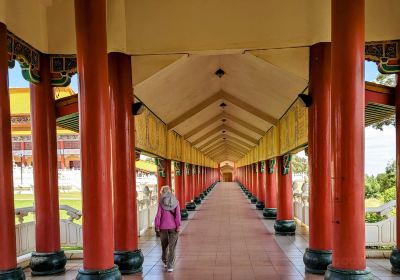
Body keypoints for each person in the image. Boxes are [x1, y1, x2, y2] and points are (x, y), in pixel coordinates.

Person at [154, 185, 181, 272]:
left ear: (162, 193)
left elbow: (158, 215)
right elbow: (177, 215)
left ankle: (165, 261)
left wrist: (157, 226)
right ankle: (170, 266)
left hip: (163, 228)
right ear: (170, 192)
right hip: (173, 227)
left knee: (164, 245)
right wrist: (178, 226)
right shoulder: (176, 202)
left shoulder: (161, 203)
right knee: (172, 247)